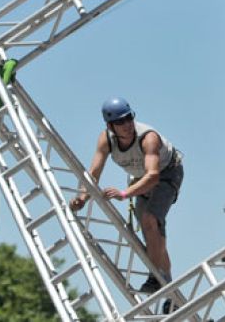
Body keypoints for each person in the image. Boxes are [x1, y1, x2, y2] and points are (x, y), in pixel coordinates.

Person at [70, 97, 185, 293]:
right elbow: (94, 174)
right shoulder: (106, 140)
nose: (127, 125)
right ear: (110, 125)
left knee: (150, 220)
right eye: (120, 122)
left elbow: (153, 175)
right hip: (141, 179)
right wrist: (82, 198)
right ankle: (169, 286)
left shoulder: (148, 138)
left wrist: (124, 194)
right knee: (153, 233)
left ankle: (154, 277)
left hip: (166, 173)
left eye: (129, 118)